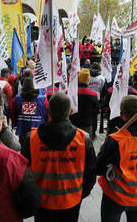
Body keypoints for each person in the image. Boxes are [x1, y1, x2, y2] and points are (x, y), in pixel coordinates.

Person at [22, 92, 97, 222]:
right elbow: (91, 173)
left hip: (43, 202)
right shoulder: (83, 138)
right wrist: (81, 194)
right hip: (71, 201)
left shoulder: (31, 138)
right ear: (70, 111)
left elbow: (23, 173)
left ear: (48, 111)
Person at [96, 95, 137, 222]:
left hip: (115, 197)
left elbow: (99, 168)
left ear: (122, 114)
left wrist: (103, 150)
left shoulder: (115, 139)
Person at [14, 77, 48, 146]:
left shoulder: (17, 98)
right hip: (38, 131)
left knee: (23, 152)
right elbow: (48, 114)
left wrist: (16, 122)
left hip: (22, 129)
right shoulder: (43, 99)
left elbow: (13, 113)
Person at [70, 68, 99, 139]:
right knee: (86, 146)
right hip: (87, 124)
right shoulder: (93, 94)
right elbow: (96, 110)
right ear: (88, 79)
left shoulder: (71, 92)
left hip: (73, 123)